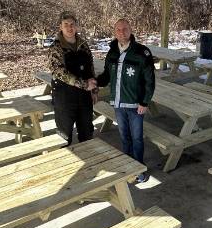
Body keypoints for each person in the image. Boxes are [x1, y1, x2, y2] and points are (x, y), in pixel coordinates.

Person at [97, 19, 155, 183]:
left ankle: (139, 169)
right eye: (118, 29)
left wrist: (145, 102)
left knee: (137, 138)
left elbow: (150, 80)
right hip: (118, 104)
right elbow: (107, 75)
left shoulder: (142, 52)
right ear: (114, 32)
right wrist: (95, 82)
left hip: (135, 105)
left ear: (131, 30)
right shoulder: (112, 52)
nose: (122, 32)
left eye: (125, 29)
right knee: (124, 137)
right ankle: (127, 166)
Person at [48, 12, 97, 146]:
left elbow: (90, 68)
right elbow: (58, 72)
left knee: (86, 133)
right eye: (66, 25)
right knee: (64, 137)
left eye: (72, 24)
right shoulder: (55, 48)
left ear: (76, 27)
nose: (70, 28)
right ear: (60, 27)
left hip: (84, 96)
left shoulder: (84, 45)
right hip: (64, 97)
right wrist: (83, 84)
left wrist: (94, 91)